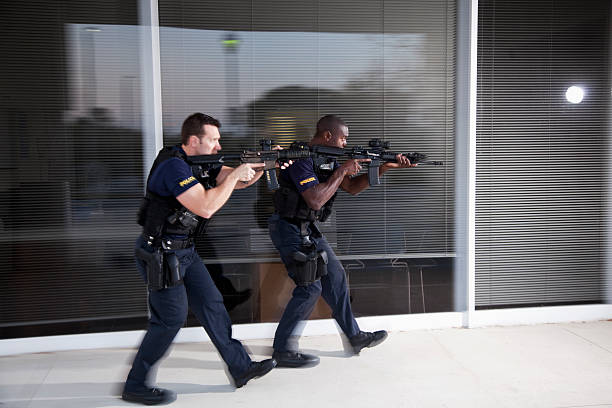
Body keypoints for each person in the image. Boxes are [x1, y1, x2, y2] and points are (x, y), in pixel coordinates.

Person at [122, 113, 276, 405]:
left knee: (212, 304)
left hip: (184, 250)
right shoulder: (173, 167)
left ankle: (241, 367)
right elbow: (206, 207)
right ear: (194, 141)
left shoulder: (201, 163)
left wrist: (264, 165)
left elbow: (237, 182)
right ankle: (136, 385)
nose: (219, 147)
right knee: (170, 319)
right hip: (160, 253)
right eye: (214, 141)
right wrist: (233, 176)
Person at [268, 114, 416, 368]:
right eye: (343, 138)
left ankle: (355, 337)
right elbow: (315, 200)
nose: (345, 143)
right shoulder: (300, 159)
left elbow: (353, 188)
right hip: (288, 228)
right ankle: (282, 350)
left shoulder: (327, 161)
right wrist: (341, 171)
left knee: (335, 277)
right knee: (310, 288)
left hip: (308, 228)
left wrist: (383, 167)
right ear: (327, 135)